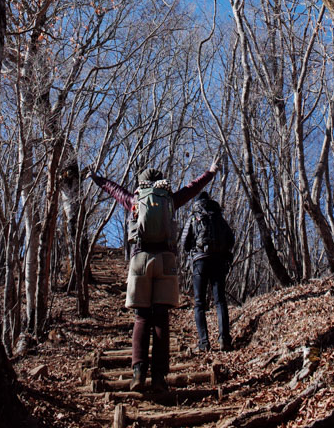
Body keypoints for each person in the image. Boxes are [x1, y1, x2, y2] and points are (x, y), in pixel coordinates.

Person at [89, 160, 218, 392]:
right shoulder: (170, 199)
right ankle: (159, 377)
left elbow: (114, 189)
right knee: (160, 318)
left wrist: (97, 178)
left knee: (141, 318)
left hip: (140, 260)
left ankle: (138, 372)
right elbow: (193, 188)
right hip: (166, 261)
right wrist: (210, 172)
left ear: (142, 182)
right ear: (160, 180)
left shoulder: (135, 200)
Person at [183, 191, 235, 352]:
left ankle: (204, 342)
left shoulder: (194, 216)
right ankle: (224, 339)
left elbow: (185, 242)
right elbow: (231, 240)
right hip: (218, 261)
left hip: (200, 261)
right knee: (220, 301)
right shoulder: (219, 217)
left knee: (199, 303)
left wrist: (193, 253)